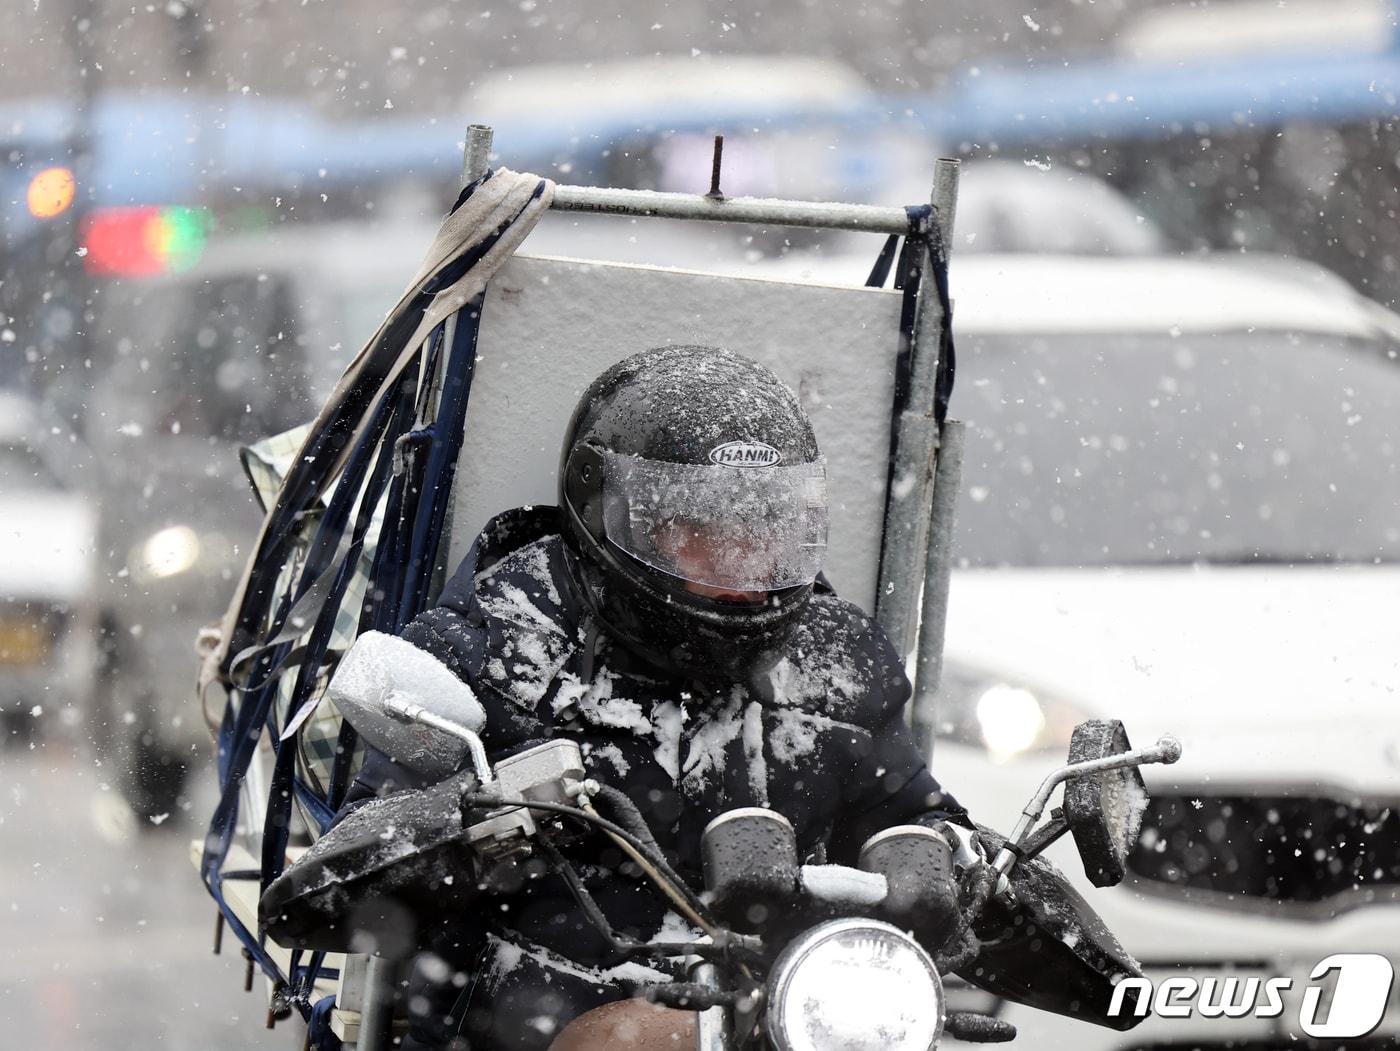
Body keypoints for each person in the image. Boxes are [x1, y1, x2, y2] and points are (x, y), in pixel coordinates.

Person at [338, 345, 971, 1050]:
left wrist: (952, 862)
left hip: (785, 1018)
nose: (743, 565)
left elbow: (912, 816)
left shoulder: (838, 657)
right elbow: (357, 864)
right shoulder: (494, 646)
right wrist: (482, 827)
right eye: (704, 531)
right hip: (519, 1018)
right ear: (607, 513)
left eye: (765, 529)